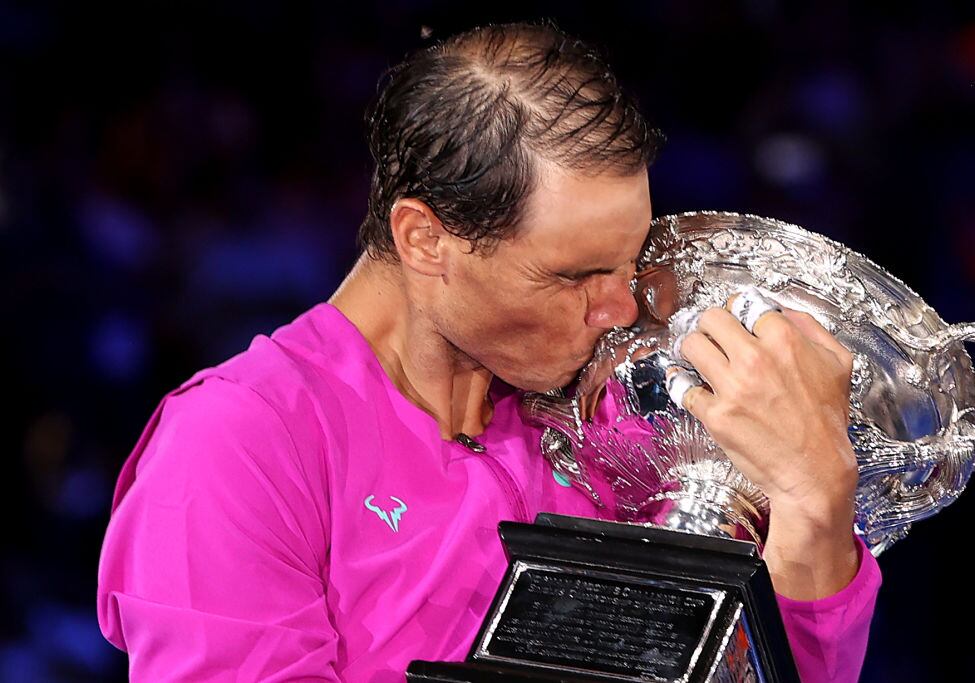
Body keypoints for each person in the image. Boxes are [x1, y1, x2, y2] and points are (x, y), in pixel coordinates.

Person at [97, 19, 881, 682]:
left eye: (628, 264)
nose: (618, 310)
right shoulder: (239, 444)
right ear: (425, 239)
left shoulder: (617, 417)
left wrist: (815, 498)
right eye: (575, 275)